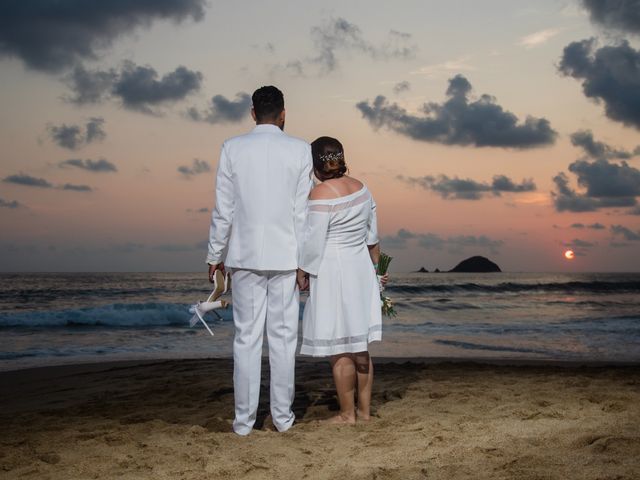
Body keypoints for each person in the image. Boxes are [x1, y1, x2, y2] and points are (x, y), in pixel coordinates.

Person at [206, 85, 313, 436]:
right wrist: (305, 262)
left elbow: (225, 209)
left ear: (253, 113)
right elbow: (302, 212)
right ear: (283, 114)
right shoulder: (300, 150)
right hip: (286, 255)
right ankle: (283, 419)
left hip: (245, 255)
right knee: (283, 339)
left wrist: (215, 255)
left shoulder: (232, 148)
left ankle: (243, 423)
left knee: (246, 339)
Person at [298, 136, 384, 424]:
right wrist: (379, 273)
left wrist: (303, 272)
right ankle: (365, 413)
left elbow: (312, 242)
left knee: (338, 346)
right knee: (360, 344)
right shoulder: (363, 188)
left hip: (334, 269)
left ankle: (347, 415)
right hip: (360, 267)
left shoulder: (321, 194)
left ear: (315, 163)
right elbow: (372, 238)